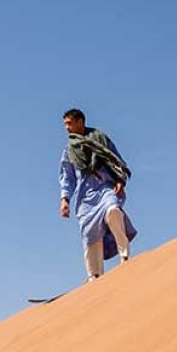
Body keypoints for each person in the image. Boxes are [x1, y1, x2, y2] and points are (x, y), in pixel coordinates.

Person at [59, 109, 137, 280]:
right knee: (90, 234)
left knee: (113, 211)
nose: (66, 128)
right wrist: (65, 199)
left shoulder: (100, 139)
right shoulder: (69, 150)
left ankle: (124, 256)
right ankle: (94, 275)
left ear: (80, 121)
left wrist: (120, 180)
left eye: (69, 123)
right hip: (84, 197)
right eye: (65, 124)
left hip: (104, 186)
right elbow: (67, 177)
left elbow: (114, 158)